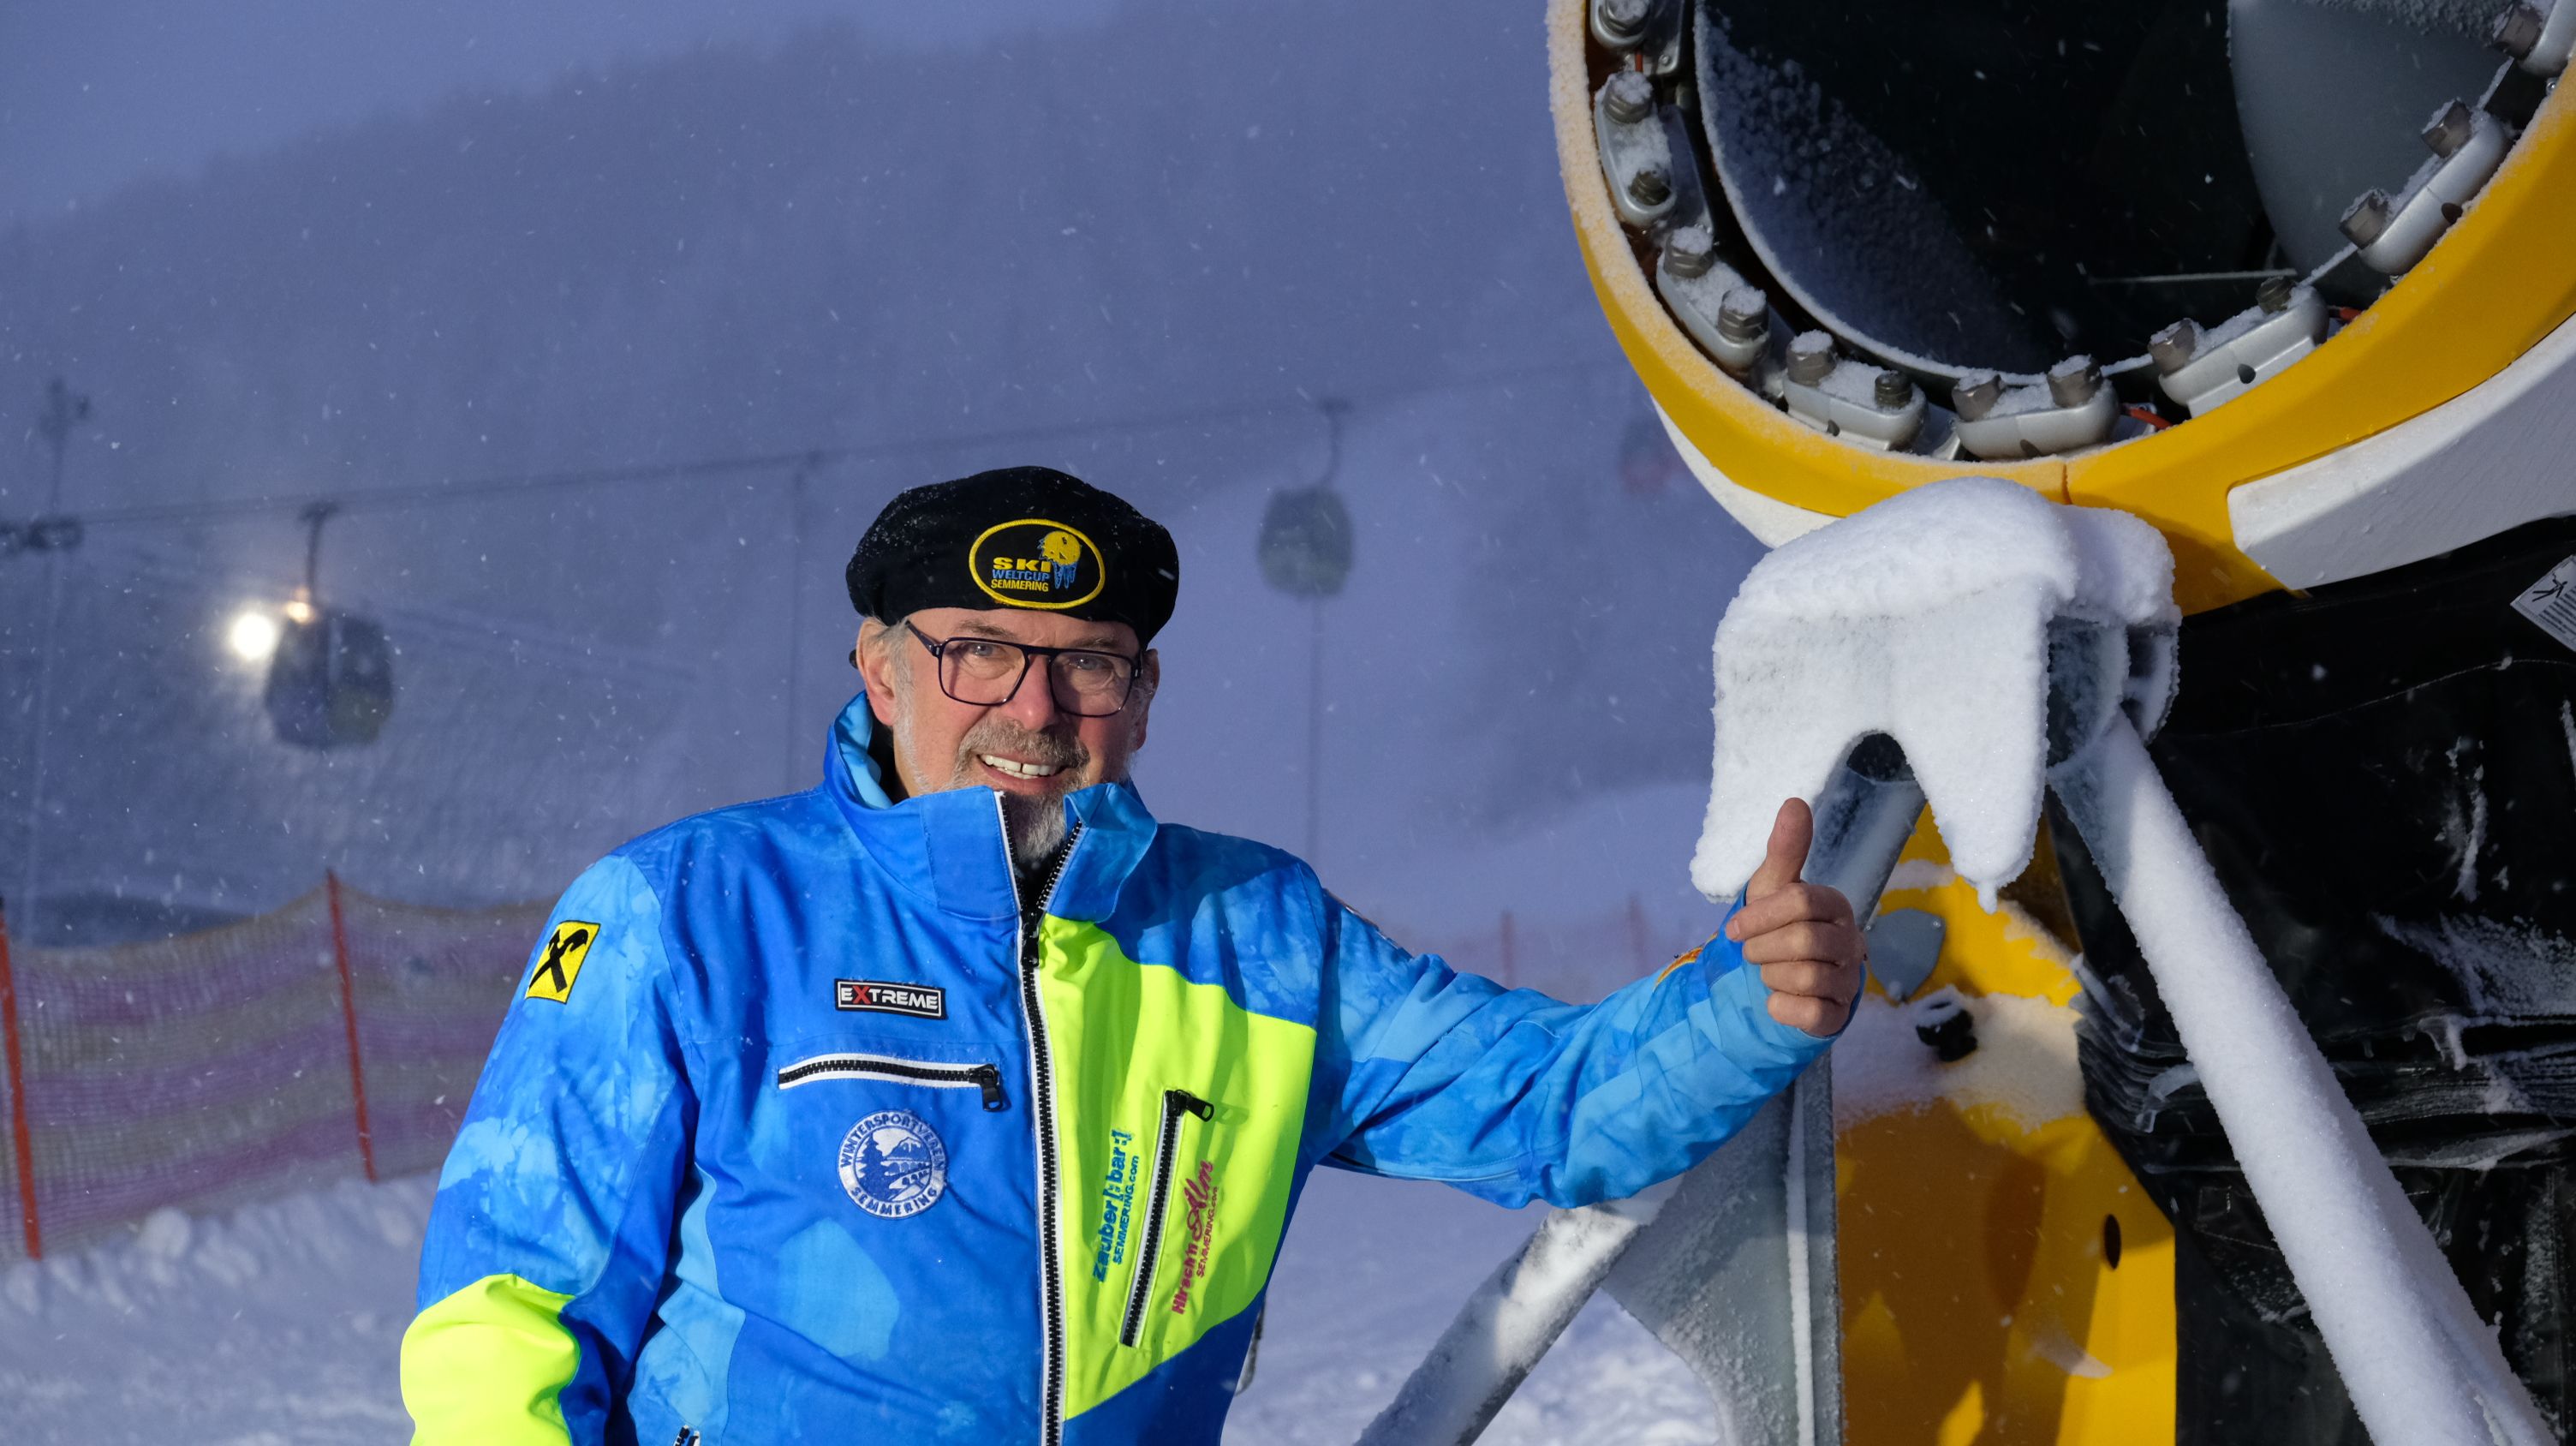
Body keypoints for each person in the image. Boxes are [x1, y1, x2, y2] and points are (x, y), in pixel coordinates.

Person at [400, 465, 1865, 1445]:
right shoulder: (689, 911)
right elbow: (509, 1307)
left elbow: (1552, 1111)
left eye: (1088, 661)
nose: (1033, 709)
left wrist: (1749, 1004)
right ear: (880, 667)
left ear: (1144, 693)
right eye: (978, 649)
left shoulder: (1257, 940)